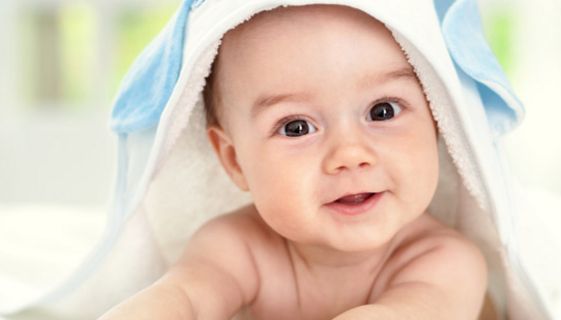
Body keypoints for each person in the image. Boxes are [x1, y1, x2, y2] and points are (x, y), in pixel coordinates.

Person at [100, 4, 489, 320]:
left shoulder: (447, 262)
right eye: (297, 127)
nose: (350, 154)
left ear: (439, 120)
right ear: (235, 161)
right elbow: (184, 295)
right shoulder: (237, 247)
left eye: (383, 111)